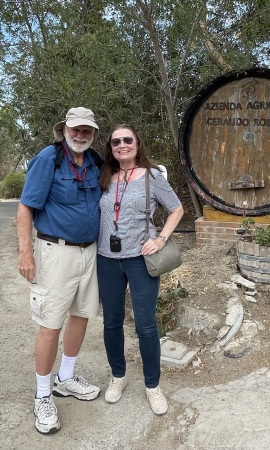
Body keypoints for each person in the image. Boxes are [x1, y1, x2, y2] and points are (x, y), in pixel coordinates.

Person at [17, 107, 103, 435]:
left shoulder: (95, 162)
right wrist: (26, 252)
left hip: (90, 253)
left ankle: (65, 378)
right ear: (64, 129)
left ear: (93, 134)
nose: (81, 135)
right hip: (55, 252)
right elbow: (26, 207)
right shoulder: (48, 159)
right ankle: (42, 395)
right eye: (76, 130)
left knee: (81, 315)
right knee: (50, 324)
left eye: (87, 131)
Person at [97, 124, 184, 415]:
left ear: (137, 143)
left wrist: (161, 239)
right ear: (110, 148)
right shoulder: (105, 175)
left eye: (127, 140)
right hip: (106, 259)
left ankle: (152, 386)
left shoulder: (152, 176)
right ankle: (118, 377)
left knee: (145, 325)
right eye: (116, 141)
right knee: (112, 321)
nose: (122, 145)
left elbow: (177, 209)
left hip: (140, 259)